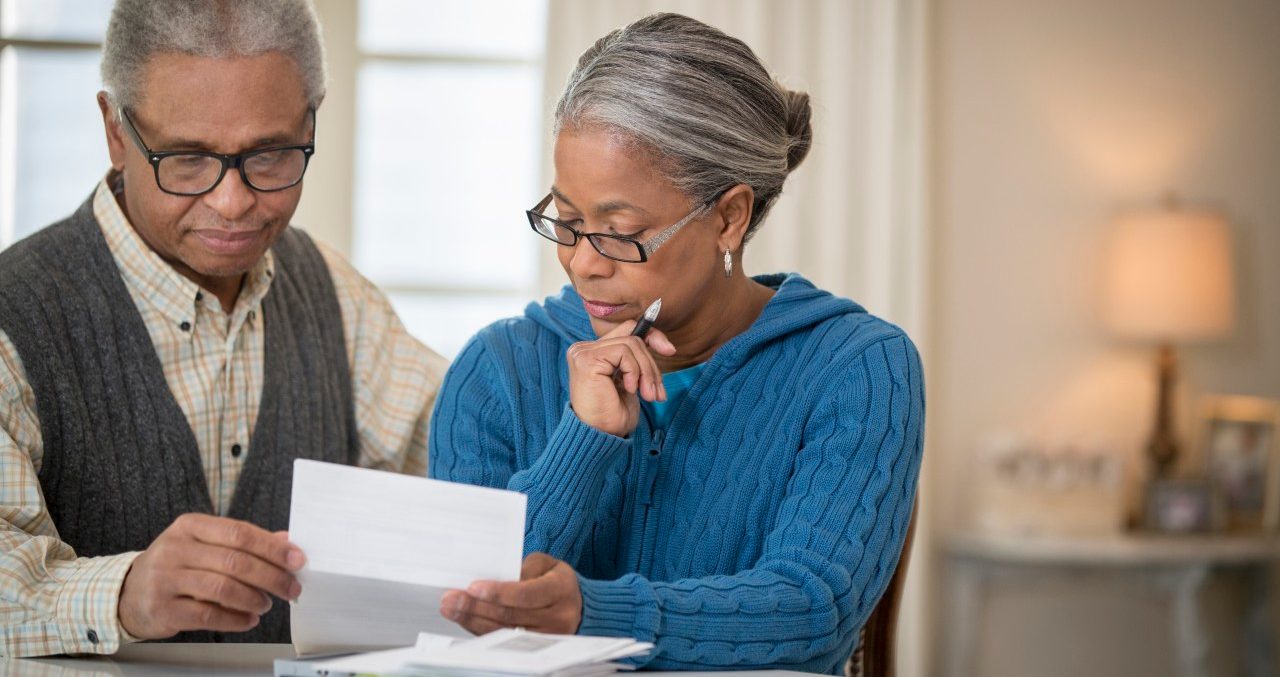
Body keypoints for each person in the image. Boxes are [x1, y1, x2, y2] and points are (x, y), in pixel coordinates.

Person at [429, 13, 924, 674]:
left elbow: (815, 612)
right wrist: (583, 438)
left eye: (619, 231)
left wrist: (592, 614)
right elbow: (460, 609)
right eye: (567, 222)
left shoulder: (858, 368)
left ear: (728, 217)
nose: (582, 263)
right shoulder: (497, 368)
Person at [0, 0, 447, 656]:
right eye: (187, 159)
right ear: (115, 131)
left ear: (310, 121)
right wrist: (120, 592)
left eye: (269, 156)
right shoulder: (15, 318)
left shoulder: (334, 294)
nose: (233, 203)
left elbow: (452, 464)